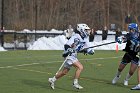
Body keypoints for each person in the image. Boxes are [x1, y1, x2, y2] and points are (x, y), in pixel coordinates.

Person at [48, 23, 94, 89]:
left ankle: (52, 80)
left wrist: (89, 51)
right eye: (86, 30)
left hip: (74, 55)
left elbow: (87, 48)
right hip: (69, 55)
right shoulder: (76, 36)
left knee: (65, 72)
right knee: (80, 67)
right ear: (81, 30)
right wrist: (69, 49)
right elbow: (66, 45)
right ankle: (75, 83)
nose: (88, 31)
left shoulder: (86, 38)